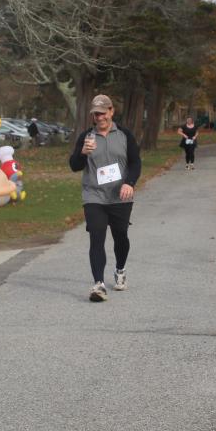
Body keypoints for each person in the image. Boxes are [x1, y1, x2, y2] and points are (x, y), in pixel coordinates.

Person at [68, 94, 141, 302]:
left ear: (111, 111)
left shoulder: (125, 135)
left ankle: (120, 269)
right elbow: (74, 165)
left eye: (102, 113)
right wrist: (82, 153)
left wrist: (129, 183)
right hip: (94, 195)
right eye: (95, 114)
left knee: (121, 236)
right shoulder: (86, 137)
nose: (99, 117)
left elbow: (135, 162)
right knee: (96, 235)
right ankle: (98, 284)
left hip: (120, 195)